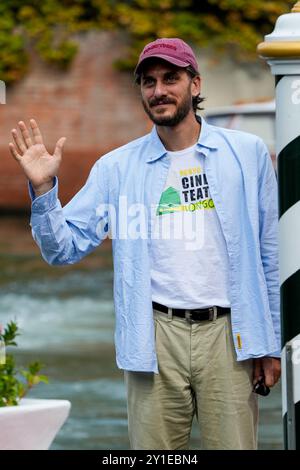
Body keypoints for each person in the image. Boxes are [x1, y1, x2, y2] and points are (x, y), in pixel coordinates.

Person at [9, 38, 281, 450]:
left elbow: (270, 253)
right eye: (148, 81)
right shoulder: (115, 168)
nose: (158, 90)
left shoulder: (247, 154)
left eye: (171, 78)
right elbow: (60, 249)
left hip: (231, 335)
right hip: (152, 336)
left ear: (195, 83)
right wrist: (44, 188)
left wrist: (270, 343)